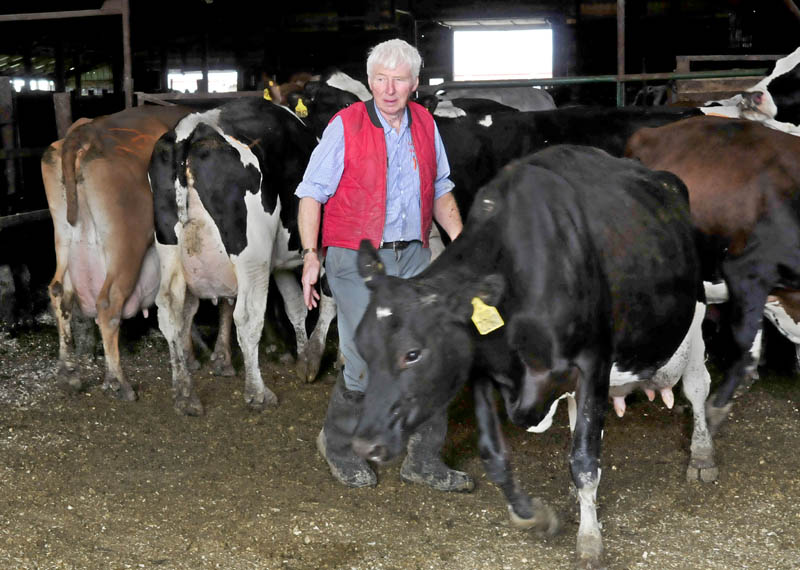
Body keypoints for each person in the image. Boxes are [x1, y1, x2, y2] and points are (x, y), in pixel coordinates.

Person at [295, 38, 472, 491]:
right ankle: (337, 445)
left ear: (415, 83)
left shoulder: (426, 124)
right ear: (369, 80)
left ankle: (424, 459)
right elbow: (312, 194)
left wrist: (461, 240)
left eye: (398, 80)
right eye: (379, 79)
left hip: (412, 254)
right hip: (357, 259)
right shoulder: (346, 125)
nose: (388, 89)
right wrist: (311, 255)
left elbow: (440, 188)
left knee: (423, 352)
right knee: (362, 353)